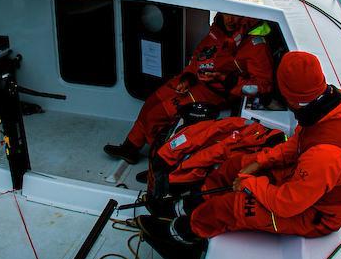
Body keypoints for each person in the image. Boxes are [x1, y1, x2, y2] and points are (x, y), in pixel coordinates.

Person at [137, 50, 341, 259]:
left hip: (316, 212)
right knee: (235, 165)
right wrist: (258, 163)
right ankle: (186, 207)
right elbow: (298, 143)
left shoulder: (326, 155)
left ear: (291, 97)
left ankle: (181, 237)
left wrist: (250, 183)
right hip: (309, 180)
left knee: (232, 207)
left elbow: (287, 204)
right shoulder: (334, 101)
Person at [103, 13, 274, 164]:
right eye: (226, 14)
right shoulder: (218, 32)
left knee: (158, 114)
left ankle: (160, 163)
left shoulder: (255, 45)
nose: (230, 19)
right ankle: (130, 148)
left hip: (216, 93)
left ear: (245, 16)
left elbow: (263, 85)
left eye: (235, 15)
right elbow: (198, 57)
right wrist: (187, 77)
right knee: (153, 101)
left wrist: (225, 79)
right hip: (197, 81)